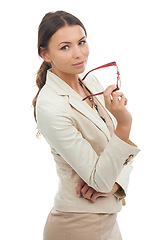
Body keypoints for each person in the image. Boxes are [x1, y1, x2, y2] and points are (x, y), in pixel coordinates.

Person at [32, 10, 140, 240]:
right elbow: (99, 178)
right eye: (65, 47)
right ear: (45, 54)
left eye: (81, 42)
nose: (78, 53)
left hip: (107, 220)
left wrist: (116, 184)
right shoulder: (50, 105)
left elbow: (118, 155)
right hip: (78, 224)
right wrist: (124, 123)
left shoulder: (89, 81)